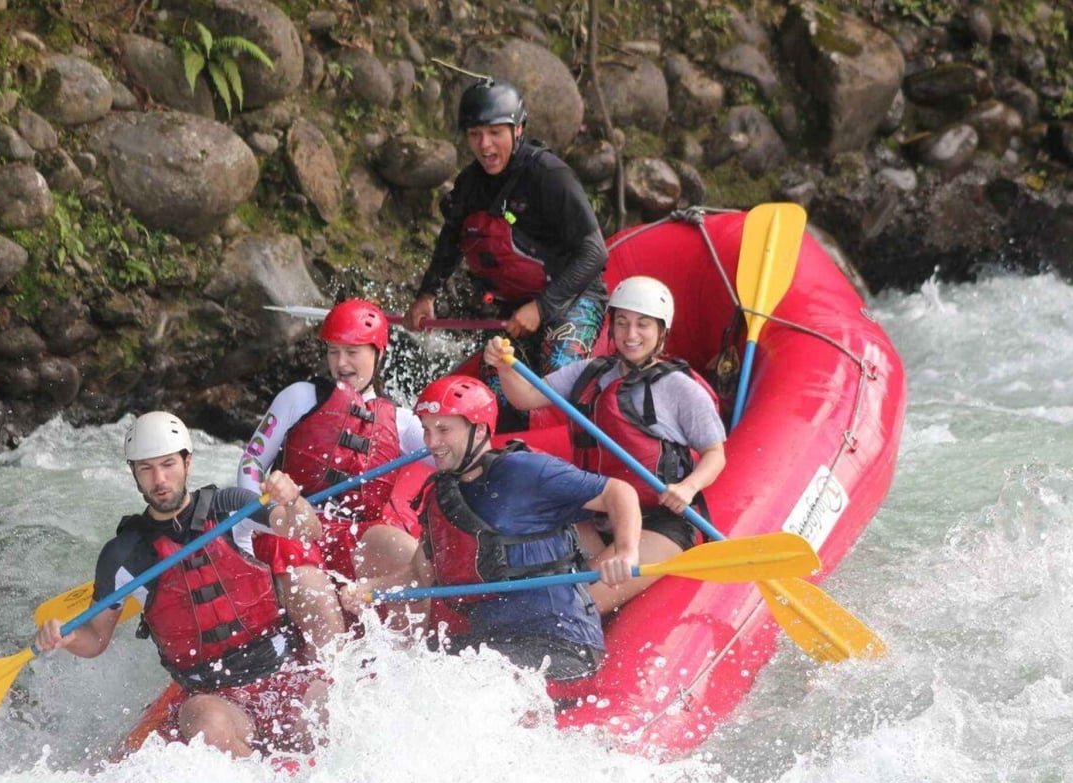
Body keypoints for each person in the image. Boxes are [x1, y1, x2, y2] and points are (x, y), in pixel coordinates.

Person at [35, 411, 346, 759]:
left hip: (284, 672)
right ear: (134, 475)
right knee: (205, 725)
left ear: (188, 463)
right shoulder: (123, 556)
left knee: (335, 711)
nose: (159, 479)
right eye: (146, 469)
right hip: (214, 697)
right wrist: (67, 637)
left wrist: (292, 500)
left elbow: (307, 530)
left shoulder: (232, 508)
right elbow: (96, 639)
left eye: (168, 464)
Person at [351, 374, 641, 687]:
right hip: (493, 644)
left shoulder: (526, 471)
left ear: (478, 430)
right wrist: (367, 589)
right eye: (426, 430)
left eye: (444, 429)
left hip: (561, 643)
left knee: (461, 679)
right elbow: (420, 574)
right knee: (391, 673)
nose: (431, 443)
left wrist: (626, 551)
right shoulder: (441, 496)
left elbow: (619, 493)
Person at [483, 276, 727, 613]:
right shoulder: (590, 372)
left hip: (659, 522)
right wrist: (504, 366)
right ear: (610, 328)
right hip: (597, 513)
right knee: (535, 575)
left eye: (643, 325)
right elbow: (525, 397)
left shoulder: (680, 389)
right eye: (622, 323)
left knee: (576, 603)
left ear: (661, 332)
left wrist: (687, 487)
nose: (631, 335)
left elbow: (716, 454)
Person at [403, 78, 609, 432]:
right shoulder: (469, 184)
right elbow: (451, 240)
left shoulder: (550, 176)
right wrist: (427, 294)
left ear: (519, 130)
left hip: (572, 297)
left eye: (495, 132)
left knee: (557, 375)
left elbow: (595, 253)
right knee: (495, 390)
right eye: (475, 134)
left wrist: (543, 308)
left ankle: (572, 446)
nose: (485, 145)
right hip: (514, 309)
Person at [237, 299, 427, 584]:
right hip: (293, 527)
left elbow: (454, 455)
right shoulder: (300, 397)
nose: (340, 363)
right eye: (333, 351)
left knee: (411, 557)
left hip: (356, 535)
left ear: (379, 353)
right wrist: (263, 515)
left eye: (352, 352)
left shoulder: (401, 420)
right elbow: (252, 462)